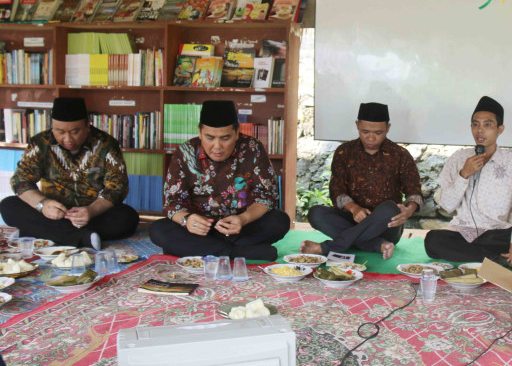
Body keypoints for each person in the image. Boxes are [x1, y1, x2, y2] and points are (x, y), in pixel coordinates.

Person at [149, 100, 289, 260]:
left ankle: (204, 249)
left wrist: (243, 219)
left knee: (279, 220)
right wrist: (187, 220)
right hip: (199, 230)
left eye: (225, 138)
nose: (217, 146)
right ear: (200, 132)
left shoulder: (253, 148)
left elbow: (266, 196)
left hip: (239, 228)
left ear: (237, 133)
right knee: (158, 229)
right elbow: (172, 201)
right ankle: (238, 252)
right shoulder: (185, 152)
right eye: (209, 138)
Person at [0, 97, 138, 250]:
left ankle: (44, 232)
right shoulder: (40, 143)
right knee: (8, 205)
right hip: (52, 213)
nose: (67, 139)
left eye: (74, 131)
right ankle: (82, 238)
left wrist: (91, 211)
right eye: (60, 131)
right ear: (52, 127)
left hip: (92, 214)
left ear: (87, 126)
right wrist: (42, 204)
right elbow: (21, 181)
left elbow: (117, 188)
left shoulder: (106, 145)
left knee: (128, 217)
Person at [424, 96, 512, 267]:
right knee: (433, 241)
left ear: (500, 129)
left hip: (497, 233)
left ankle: (486, 256)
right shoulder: (458, 159)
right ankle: (495, 259)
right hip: (463, 232)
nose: (480, 130)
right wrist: (464, 175)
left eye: (487, 125)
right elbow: (447, 205)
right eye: (475, 124)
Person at [300, 102, 423, 259]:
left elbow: (414, 191)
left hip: (386, 225)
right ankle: (377, 245)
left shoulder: (400, 155)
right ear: (357, 125)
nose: (371, 138)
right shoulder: (344, 152)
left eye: (378, 133)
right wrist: (353, 209)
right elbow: (336, 190)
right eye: (365, 131)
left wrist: (408, 210)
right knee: (316, 213)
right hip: (351, 220)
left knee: (390, 209)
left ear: (388, 128)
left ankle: (327, 248)